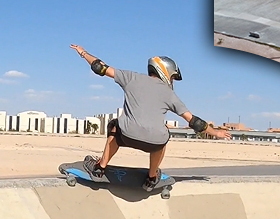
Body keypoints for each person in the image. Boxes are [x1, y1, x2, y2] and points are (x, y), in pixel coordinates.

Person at [70, 44, 231, 190]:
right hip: (153, 144)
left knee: (114, 124)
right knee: (163, 133)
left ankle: (100, 168)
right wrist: (215, 133)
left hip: (126, 136)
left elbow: (100, 67)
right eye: (173, 77)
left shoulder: (131, 77)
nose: (173, 81)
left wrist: (83, 53)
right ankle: (151, 177)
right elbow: (195, 122)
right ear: (166, 72)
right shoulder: (170, 94)